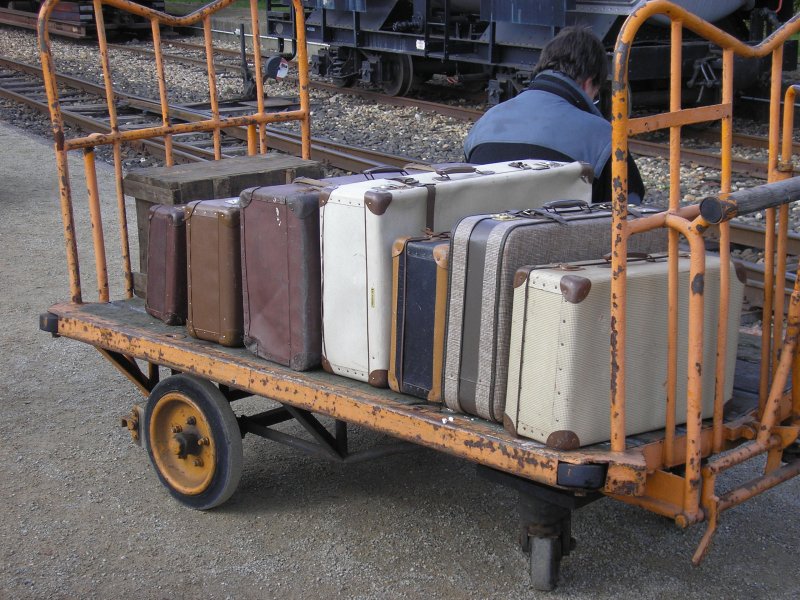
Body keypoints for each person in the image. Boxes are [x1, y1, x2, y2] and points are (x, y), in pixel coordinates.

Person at [463, 26, 645, 204]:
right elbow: (630, 208)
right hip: (558, 234)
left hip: (486, 232)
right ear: (588, 83)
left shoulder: (484, 123)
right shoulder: (602, 137)